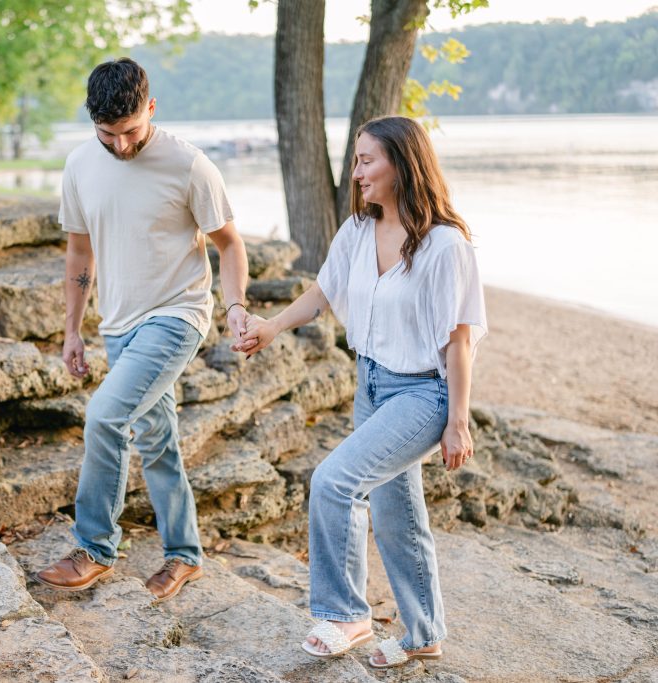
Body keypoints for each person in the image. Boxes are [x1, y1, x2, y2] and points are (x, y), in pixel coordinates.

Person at [233, 115, 486, 668]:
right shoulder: (358, 231)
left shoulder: (444, 245)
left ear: (403, 163)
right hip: (370, 384)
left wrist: (458, 420)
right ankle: (423, 635)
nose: (356, 172)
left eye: (366, 160)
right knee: (398, 514)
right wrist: (273, 326)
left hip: (422, 394)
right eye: (355, 160)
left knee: (333, 482)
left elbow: (459, 339)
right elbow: (324, 289)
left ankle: (345, 614)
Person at [35, 58, 250, 602]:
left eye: (131, 131)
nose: (122, 145)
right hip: (119, 325)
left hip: (178, 315)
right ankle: (184, 555)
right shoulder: (82, 164)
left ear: (150, 109)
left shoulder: (190, 165)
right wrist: (72, 330)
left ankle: (94, 548)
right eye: (109, 134)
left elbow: (230, 244)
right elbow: (79, 253)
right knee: (157, 439)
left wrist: (235, 307)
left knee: (105, 415)